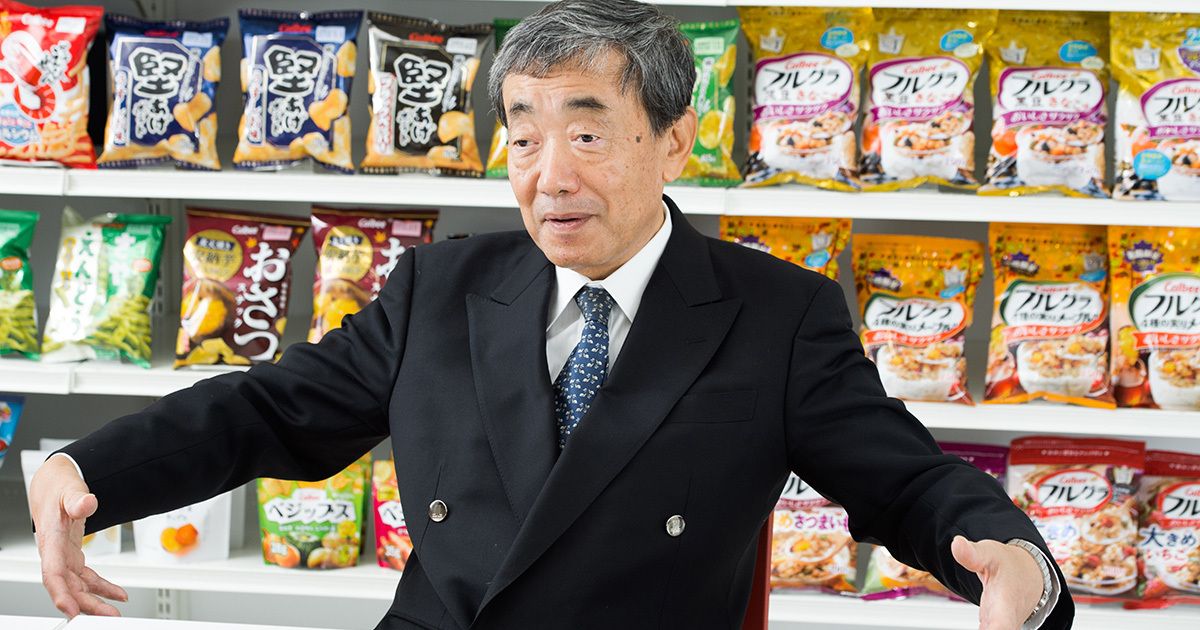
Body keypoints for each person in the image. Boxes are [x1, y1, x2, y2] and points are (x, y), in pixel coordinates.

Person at [30, 2, 1073, 629]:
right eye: (523, 137)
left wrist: (1011, 555)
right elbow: (271, 411)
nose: (549, 175)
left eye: (588, 133)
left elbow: (905, 479)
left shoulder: (775, 313)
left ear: (675, 142)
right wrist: (86, 471)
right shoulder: (440, 286)